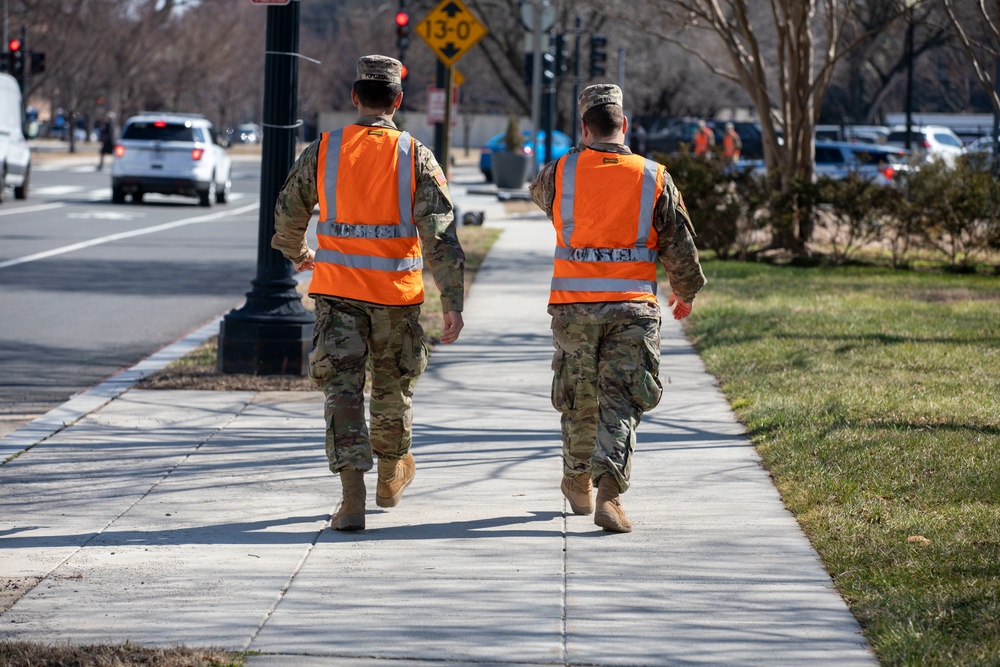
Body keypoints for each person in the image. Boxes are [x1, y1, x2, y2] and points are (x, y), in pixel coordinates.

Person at [271, 55, 466, 532]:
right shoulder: (414, 154)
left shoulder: (325, 149)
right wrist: (452, 302)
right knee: (392, 390)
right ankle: (389, 475)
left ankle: (351, 497)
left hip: (337, 297)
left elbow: (287, 212)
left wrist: (298, 253)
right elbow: (440, 235)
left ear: (355, 97)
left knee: (342, 392)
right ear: (397, 100)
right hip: (396, 299)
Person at [529, 84, 706, 533]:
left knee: (579, 398)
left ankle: (575, 480)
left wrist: (577, 155)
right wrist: (684, 292)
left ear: (585, 127)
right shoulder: (653, 176)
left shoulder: (560, 172)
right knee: (621, 401)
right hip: (632, 310)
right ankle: (609, 495)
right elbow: (679, 245)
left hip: (574, 310)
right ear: (624, 125)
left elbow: (539, 196)